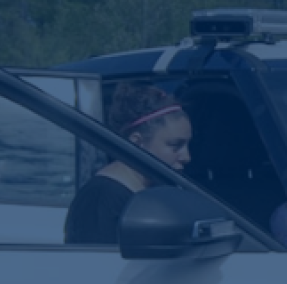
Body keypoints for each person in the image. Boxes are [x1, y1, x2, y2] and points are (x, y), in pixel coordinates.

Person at [66, 82, 193, 244]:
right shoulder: (101, 200)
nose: (187, 157)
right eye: (175, 145)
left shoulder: (156, 192)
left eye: (188, 145)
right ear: (137, 143)